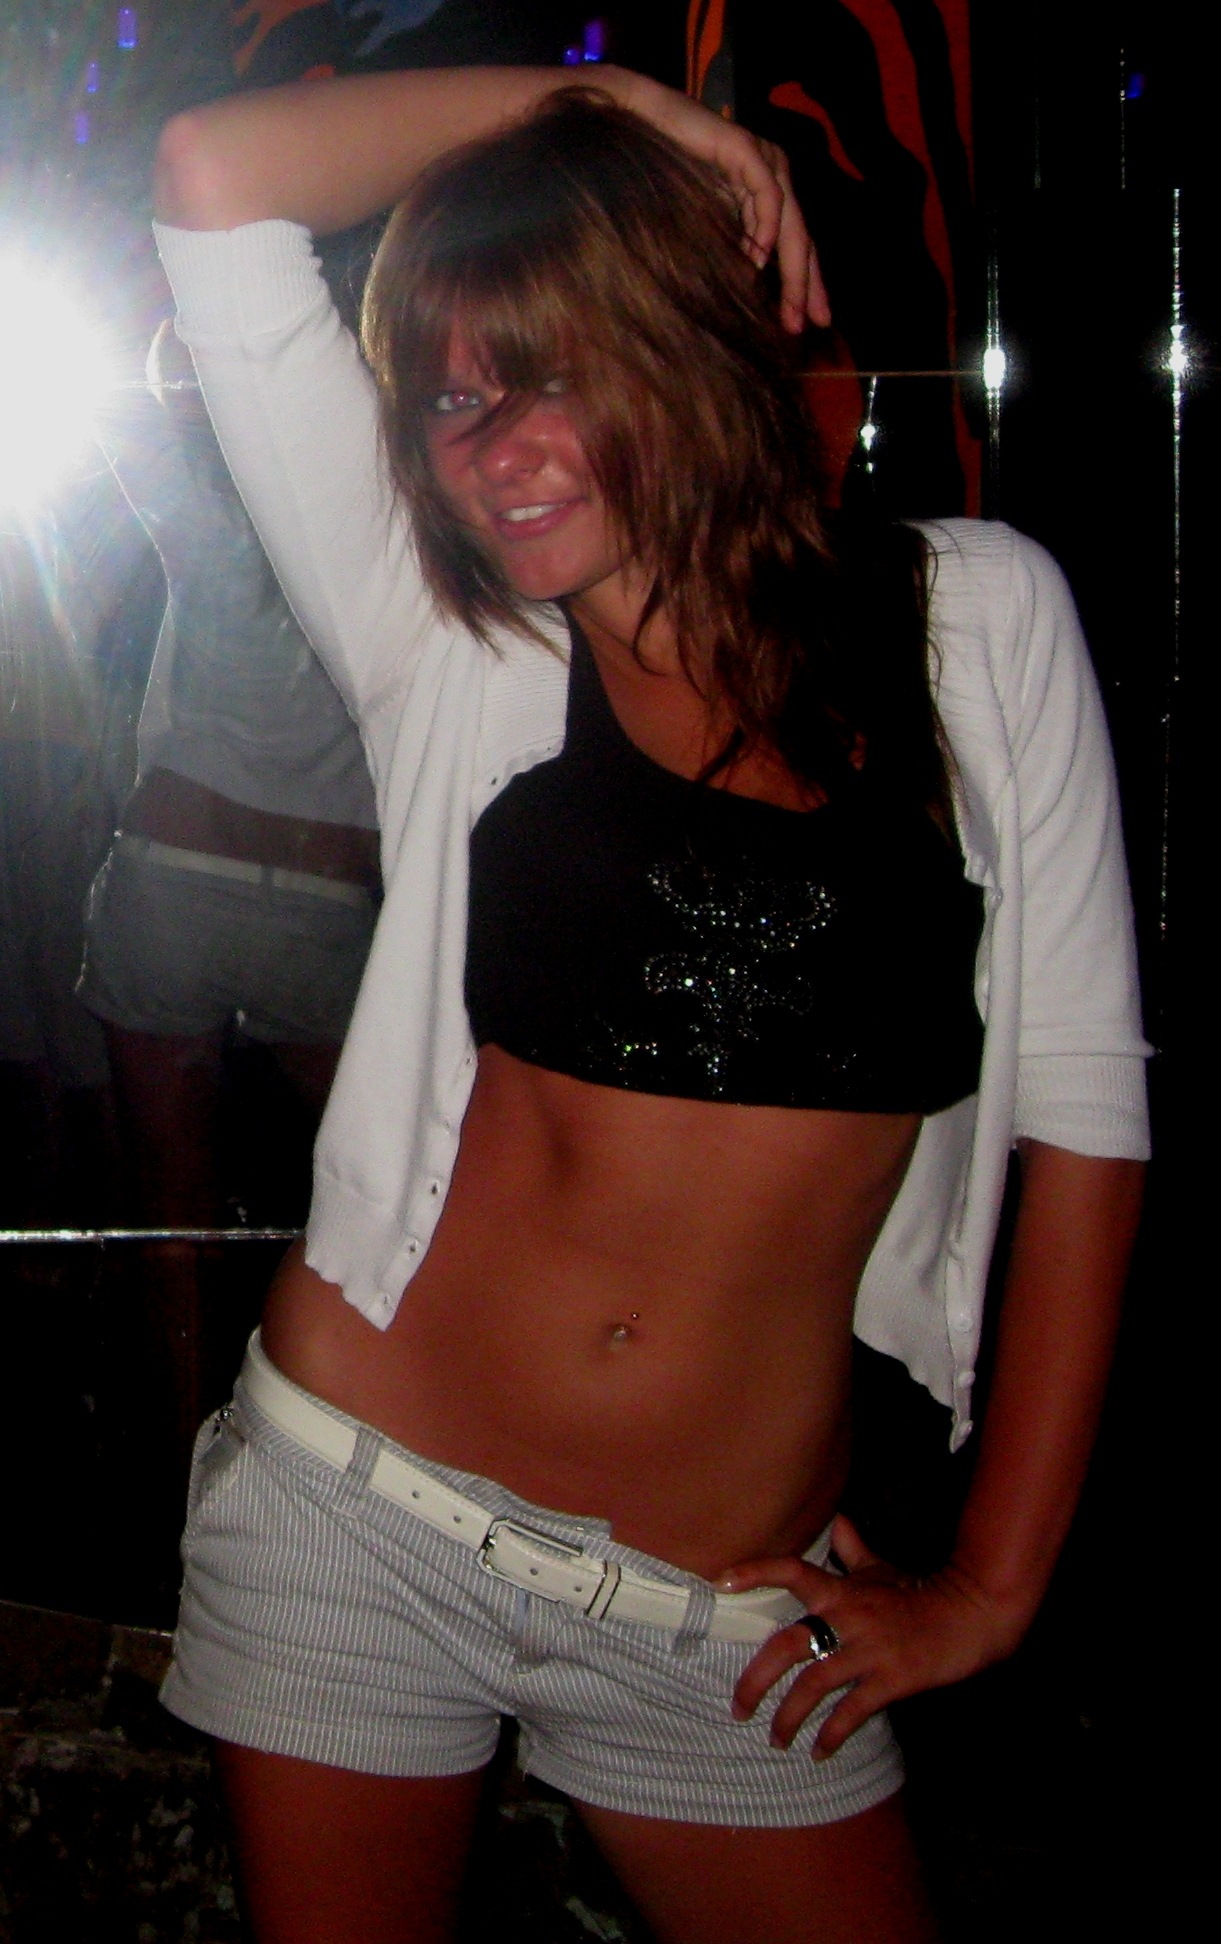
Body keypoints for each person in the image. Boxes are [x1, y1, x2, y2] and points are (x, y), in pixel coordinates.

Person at [150, 64, 1149, 1944]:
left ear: (681, 350)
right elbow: (214, 173)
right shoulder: (446, 640)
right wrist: (613, 105)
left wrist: (994, 1585)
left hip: (722, 1615)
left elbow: (1084, 1113)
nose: (492, 446)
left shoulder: (976, 624)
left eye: (550, 374)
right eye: (450, 399)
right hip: (361, 1517)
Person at [78, 320, 380, 1452]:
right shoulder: (385, 525)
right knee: (375, 1205)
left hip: (176, 877)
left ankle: (183, 1466)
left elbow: (112, 412)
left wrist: (173, 339)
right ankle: (341, 1455)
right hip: (323, 898)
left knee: (174, 1214)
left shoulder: (215, 509)